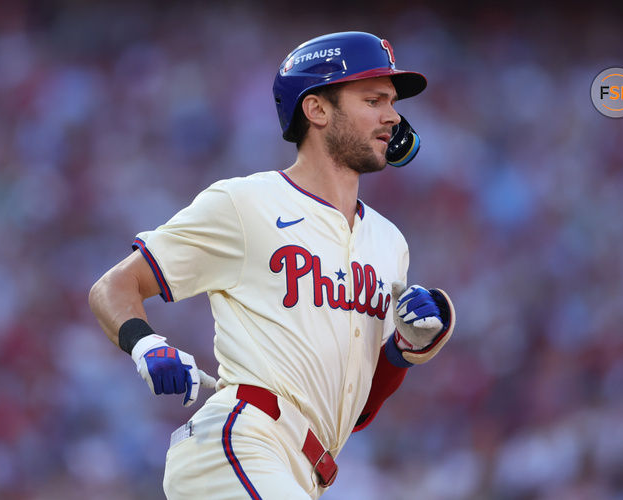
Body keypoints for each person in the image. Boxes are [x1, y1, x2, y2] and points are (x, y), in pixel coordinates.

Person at [89, 31, 456, 499]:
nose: (393, 115)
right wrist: (146, 344)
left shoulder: (390, 243)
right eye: (373, 99)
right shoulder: (247, 202)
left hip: (304, 469)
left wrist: (402, 350)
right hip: (241, 442)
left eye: (392, 102)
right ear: (317, 109)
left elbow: (354, 411)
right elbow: (114, 286)